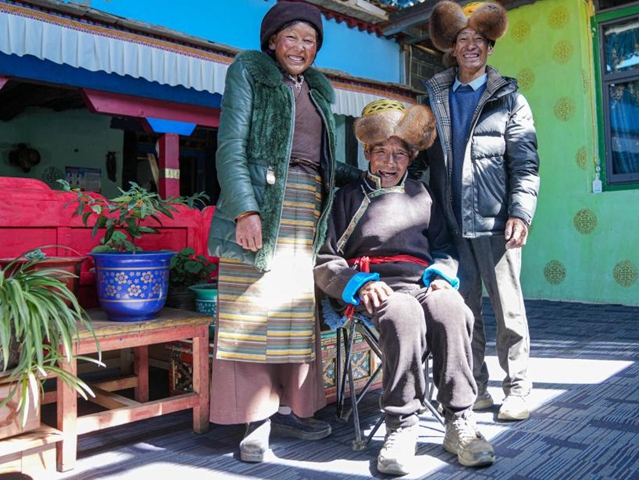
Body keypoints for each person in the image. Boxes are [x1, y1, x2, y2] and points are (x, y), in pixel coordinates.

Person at [206, 2, 357, 462]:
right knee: (254, 312)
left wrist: (368, 176)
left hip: (306, 210)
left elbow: (323, 162)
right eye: (291, 37)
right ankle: (256, 420)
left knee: (294, 313)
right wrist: (245, 210)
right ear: (272, 40)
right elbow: (231, 145)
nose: (301, 47)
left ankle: (297, 407)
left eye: (309, 41)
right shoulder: (250, 72)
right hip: (260, 207)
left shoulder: (317, 90)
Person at [315, 99, 495, 476]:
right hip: (376, 289)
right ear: (367, 153)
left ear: (411, 157)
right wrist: (358, 284)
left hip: (422, 284)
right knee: (403, 311)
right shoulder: (347, 199)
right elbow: (325, 261)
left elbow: (445, 249)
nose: (390, 162)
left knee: (453, 309)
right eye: (381, 152)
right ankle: (402, 425)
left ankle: (459, 421)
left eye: (400, 153)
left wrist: (442, 278)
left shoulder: (423, 195)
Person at [410, 1, 541, 422]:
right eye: (463, 39)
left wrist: (520, 213)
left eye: (479, 41)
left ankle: (518, 388)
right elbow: (415, 158)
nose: (471, 46)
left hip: (497, 223)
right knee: (463, 313)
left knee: (508, 310)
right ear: (452, 48)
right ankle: (477, 388)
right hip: (450, 223)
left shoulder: (511, 99)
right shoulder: (434, 97)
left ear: (489, 48)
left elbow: (525, 163)